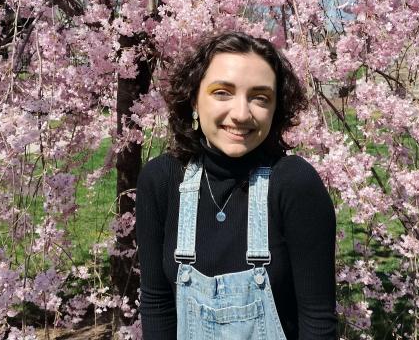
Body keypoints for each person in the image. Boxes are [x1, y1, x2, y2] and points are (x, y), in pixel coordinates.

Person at [136, 31, 337, 339]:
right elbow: (156, 303)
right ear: (194, 98)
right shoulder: (162, 181)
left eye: (260, 98)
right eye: (222, 92)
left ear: (275, 109)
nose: (241, 114)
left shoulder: (294, 184)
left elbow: (318, 321)